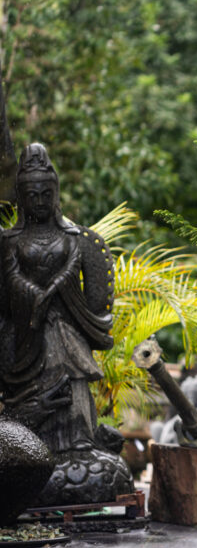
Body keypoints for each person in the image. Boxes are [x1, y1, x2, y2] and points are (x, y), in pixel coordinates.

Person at [0, 143, 114, 453]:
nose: (39, 202)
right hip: (27, 336)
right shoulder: (9, 241)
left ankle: (81, 439)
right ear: (22, 199)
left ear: (56, 195)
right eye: (32, 196)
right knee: (29, 409)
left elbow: (96, 298)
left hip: (67, 329)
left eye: (45, 195)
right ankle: (32, 447)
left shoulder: (75, 237)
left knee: (74, 383)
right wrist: (31, 295)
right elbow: (7, 285)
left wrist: (61, 292)